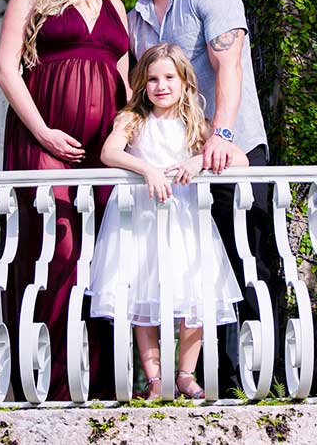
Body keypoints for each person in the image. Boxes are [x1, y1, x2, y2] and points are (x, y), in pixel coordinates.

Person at [115, 0, 280, 396]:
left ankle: (259, 376)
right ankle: (198, 379)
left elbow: (228, 67)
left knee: (248, 264)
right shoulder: (137, 15)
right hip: (176, 166)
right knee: (199, 272)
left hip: (232, 151)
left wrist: (221, 138)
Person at [0, 0, 129, 401]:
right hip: (44, 137)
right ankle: (49, 380)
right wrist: (45, 132)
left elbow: (125, 76)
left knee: (104, 255)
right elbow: (7, 69)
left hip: (106, 149)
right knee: (57, 249)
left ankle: (100, 379)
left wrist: (134, 135)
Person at [88, 43, 244, 400]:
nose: (161, 86)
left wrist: (200, 161)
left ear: (184, 82)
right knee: (142, 295)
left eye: (169, 77)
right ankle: (156, 379)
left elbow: (239, 160)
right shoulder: (132, 119)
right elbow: (109, 152)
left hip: (185, 219)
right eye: (153, 79)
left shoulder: (195, 123)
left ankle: (186, 373)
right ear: (142, 83)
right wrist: (147, 170)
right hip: (140, 218)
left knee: (196, 292)